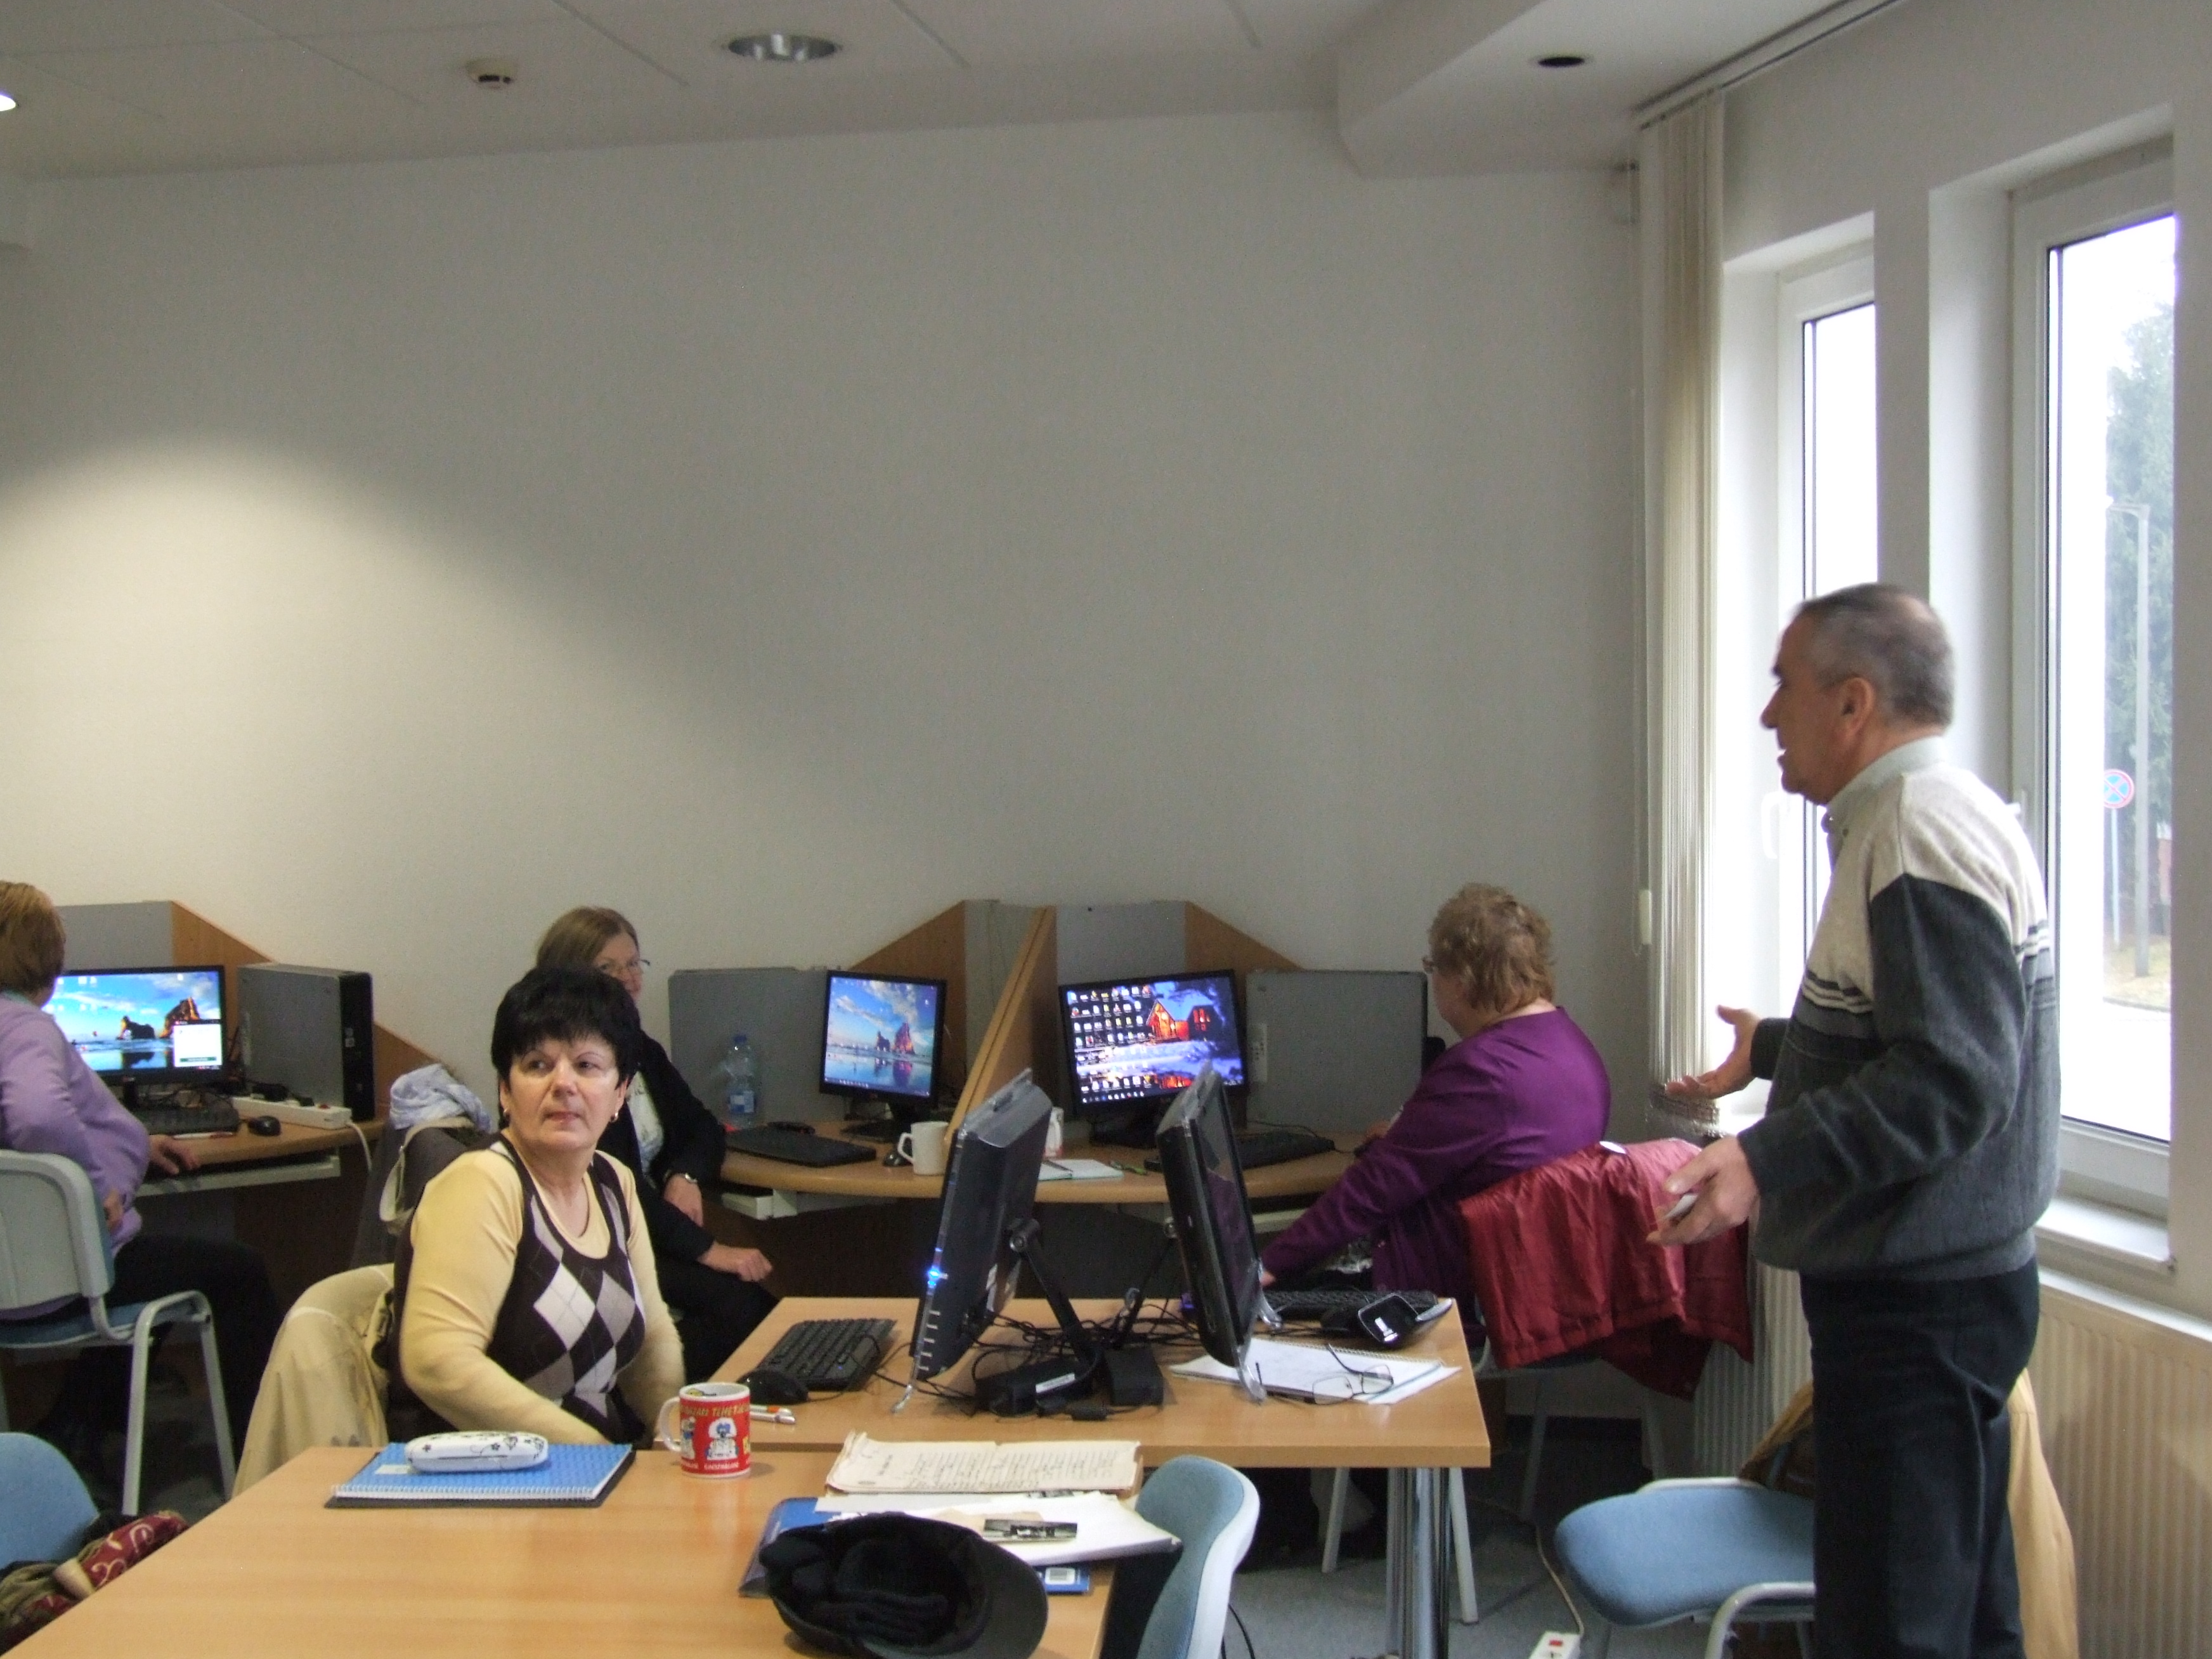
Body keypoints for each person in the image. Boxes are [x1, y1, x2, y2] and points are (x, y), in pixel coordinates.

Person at [1658, 585, 2057, 1659]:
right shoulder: (1937, 813)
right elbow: (1922, 1038)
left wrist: (1761, 1155)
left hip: (1917, 1307)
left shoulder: (1916, 830)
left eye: (1781, 684)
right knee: (1962, 1617)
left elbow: (1955, 1080)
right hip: (1943, 1294)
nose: (1765, 715)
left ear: (1852, 703)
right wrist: (1777, 1055)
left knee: (1893, 1627)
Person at [0, 882, 280, 1469]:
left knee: (157, 1269)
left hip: (17, 1276)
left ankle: (76, 1422)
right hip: (67, 1279)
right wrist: (93, 1184)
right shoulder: (25, 1028)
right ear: (45, 958)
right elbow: (37, 1115)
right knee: (239, 1273)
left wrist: (132, 1141)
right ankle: (264, 1464)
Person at [1259, 883, 1612, 1303]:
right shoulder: (1576, 1048)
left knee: (1254, 1299)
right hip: (1525, 1284)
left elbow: (1376, 1188)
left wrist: (1267, 1266)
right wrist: (1402, 1142)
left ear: (1461, 980)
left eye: (1435, 968)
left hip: (1443, 1291)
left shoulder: (1481, 1070)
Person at [382, 965, 684, 1443]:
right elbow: (438, 1363)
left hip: (597, 1466)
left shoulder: (614, 1182)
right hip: (481, 1472)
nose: (563, 1084)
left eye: (587, 1066)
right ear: (505, 1090)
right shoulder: (483, 1183)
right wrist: (591, 1453)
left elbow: (652, 1338)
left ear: (621, 1092)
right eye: (538, 1066)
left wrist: (675, 1434)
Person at [535, 908, 776, 1379]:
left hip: (653, 1232)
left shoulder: (638, 1048)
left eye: (634, 964)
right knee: (745, 1312)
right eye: (608, 968)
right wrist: (708, 1250)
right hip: (604, 1245)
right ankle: (652, 1404)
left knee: (755, 1308)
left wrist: (683, 1175)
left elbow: (702, 1126)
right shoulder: (572, 1071)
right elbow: (613, 1184)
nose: (628, 979)